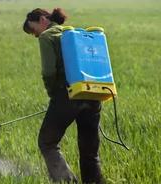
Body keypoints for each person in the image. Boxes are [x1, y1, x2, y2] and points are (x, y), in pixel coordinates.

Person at [23, 8, 104, 184]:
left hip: (67, 95)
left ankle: (67, 181)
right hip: (93, 93)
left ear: (43, 19)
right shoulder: (74, 34)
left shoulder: (47, 37)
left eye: (34, 30)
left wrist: (54, 95)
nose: (36, 35)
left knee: (47, 142)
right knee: (89, 151)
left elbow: (49, 72)